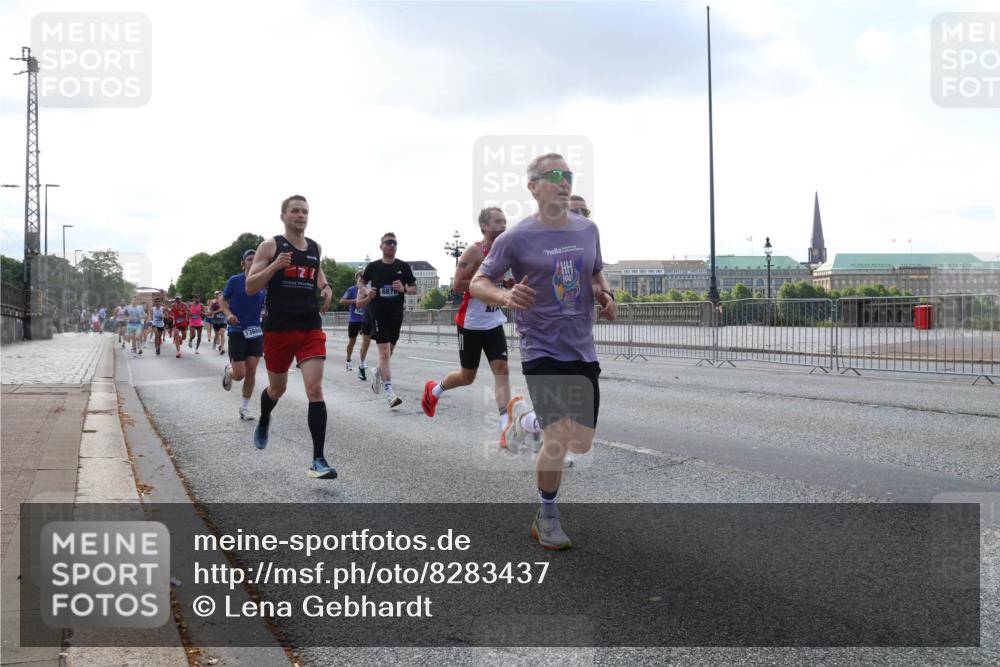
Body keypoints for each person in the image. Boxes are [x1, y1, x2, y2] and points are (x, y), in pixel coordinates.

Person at [471, 152, 616, 551]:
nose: (564, 181)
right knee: (558, 436)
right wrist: (505, 295)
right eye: (555, 175)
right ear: (533, 187)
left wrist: (605, 294)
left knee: (581, 442)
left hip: (581, 348)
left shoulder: (588, 230)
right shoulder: (515, 237)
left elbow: (596, 272)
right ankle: (546, 515)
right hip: (541, 347)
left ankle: (524, 420)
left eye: (569, 175)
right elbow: (479, 282)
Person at [245, 194, 336, 479]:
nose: (300, 215)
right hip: (279, 329)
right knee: (277, 389)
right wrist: (274, 266)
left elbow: (317, 271)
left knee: (315, 389)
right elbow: (250, 286)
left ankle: (318, 460)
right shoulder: (271, 246)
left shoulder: (315, 247)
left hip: (309, 326)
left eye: (304, 211)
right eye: (295, 211)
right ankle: (264, 417)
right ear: (283, 216)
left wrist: (326, 288)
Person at [421, 207, 516, 447]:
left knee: (502, 370)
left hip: (493, 321)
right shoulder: (474, 251)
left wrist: (507, 283)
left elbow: (500, 282)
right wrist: (490, 281)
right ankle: (435, 390)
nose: (503, 226)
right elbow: (458, 284)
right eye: (498, 222)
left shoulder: (504, 251)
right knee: (467, 376)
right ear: (484, 227)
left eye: (505, 222)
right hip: (471, 324)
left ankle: (505, 426)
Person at [358, 233, 416, 409]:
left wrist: (404, 289)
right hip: (378, 314)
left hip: (396, 315)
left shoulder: (403, 267)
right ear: (381, 246)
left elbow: (413, 288)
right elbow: (360, 282)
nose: (392, 245)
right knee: (384, 353)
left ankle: (377, 370)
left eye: (394, 243)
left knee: (389, 352)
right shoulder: (373, 266)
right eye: (388, 242)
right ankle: (390, 394)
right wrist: (367, 291)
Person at [221, 250, 267, 421]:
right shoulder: (235, 280)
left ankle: (245, 408)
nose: (253, 261)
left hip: (255, 331)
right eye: (249, 259)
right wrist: (228, 314)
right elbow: (222, 300)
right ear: (243, 264)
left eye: (256, 259)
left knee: (251, 371)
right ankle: (230, 370)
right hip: (237, 330)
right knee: (240, 374)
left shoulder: (264, 283)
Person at [339, 271, 371, 374]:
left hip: (365, 319)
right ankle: (348, 360)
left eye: (363, 278)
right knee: (352, 341)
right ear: (356, 279)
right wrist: (355, 301)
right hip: (354, 320)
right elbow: (342, 301)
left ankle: (362, 361)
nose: (361, 280)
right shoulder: (351, 290)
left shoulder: (368, 290)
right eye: (359, 278)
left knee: (366, 342)